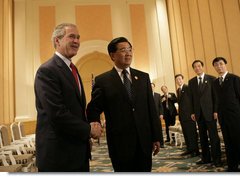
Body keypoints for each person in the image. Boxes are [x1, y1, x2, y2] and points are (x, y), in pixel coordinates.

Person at [34, 23, 102, 172]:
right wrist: (88, 130)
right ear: (57, 41)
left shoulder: (73, 69)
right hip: (58, 155)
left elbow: (76, 109)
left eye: (78, 37)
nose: (77, 41)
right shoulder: (47, 70)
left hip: (77, 150)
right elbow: (57, 113)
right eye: (71, 36)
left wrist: (87, 130)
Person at [86, 37, 161, 172]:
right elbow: (94, 108)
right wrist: (94, 123)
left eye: (130, 49)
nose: (128, 53)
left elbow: (151, 109)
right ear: (112, 55)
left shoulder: (143, 77)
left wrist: (156, 137)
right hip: (120, 142)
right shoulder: (103, 81)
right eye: (123, 50)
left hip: (144, 140)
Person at [212, 57, 240, 172]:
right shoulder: (215, 83)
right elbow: (216, 100)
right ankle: (232, 165)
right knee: (228, 141)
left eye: (221, 64)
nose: (219, 67)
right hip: (222, 116)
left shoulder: (234, 78)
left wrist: (235, 108)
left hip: (234, 115)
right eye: (216, 65)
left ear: (225, 64)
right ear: (214, 67)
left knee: (239, 140)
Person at [188, 60, 221, 167]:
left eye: (199, 66)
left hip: (210, 113)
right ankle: (206, 158)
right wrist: (193, 112)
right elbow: (191, 98)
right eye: (195, 67)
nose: (197, 68)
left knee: (213, 137)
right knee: (202, 137)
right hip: (199, 114)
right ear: (193, 69)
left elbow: (216, 97)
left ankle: (217, 159)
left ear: (202, 67)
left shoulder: (212, 79)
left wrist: (216, 110)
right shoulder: (191, 82)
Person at [175, 74, 199, 157]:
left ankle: (195, 151)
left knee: (192, 133)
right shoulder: (178, 90)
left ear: (182, 79)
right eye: (177, 80)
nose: (178, 81)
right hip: (182, 116)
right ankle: (189, 149)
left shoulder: (187, 88)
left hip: (189, 115)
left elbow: (192, 101)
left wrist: (193, 112)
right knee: (186, 133)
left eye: (180, 79)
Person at [151, 83, 164, 148]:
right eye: (150, 86)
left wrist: (161, 114)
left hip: (157, 115)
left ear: (154, 87)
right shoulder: (146, 94)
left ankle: (161, 143)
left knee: (159, 129)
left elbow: (160, 106)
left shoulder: (158, 95)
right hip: (150, 116)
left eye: (152, 87)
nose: (151, 88)